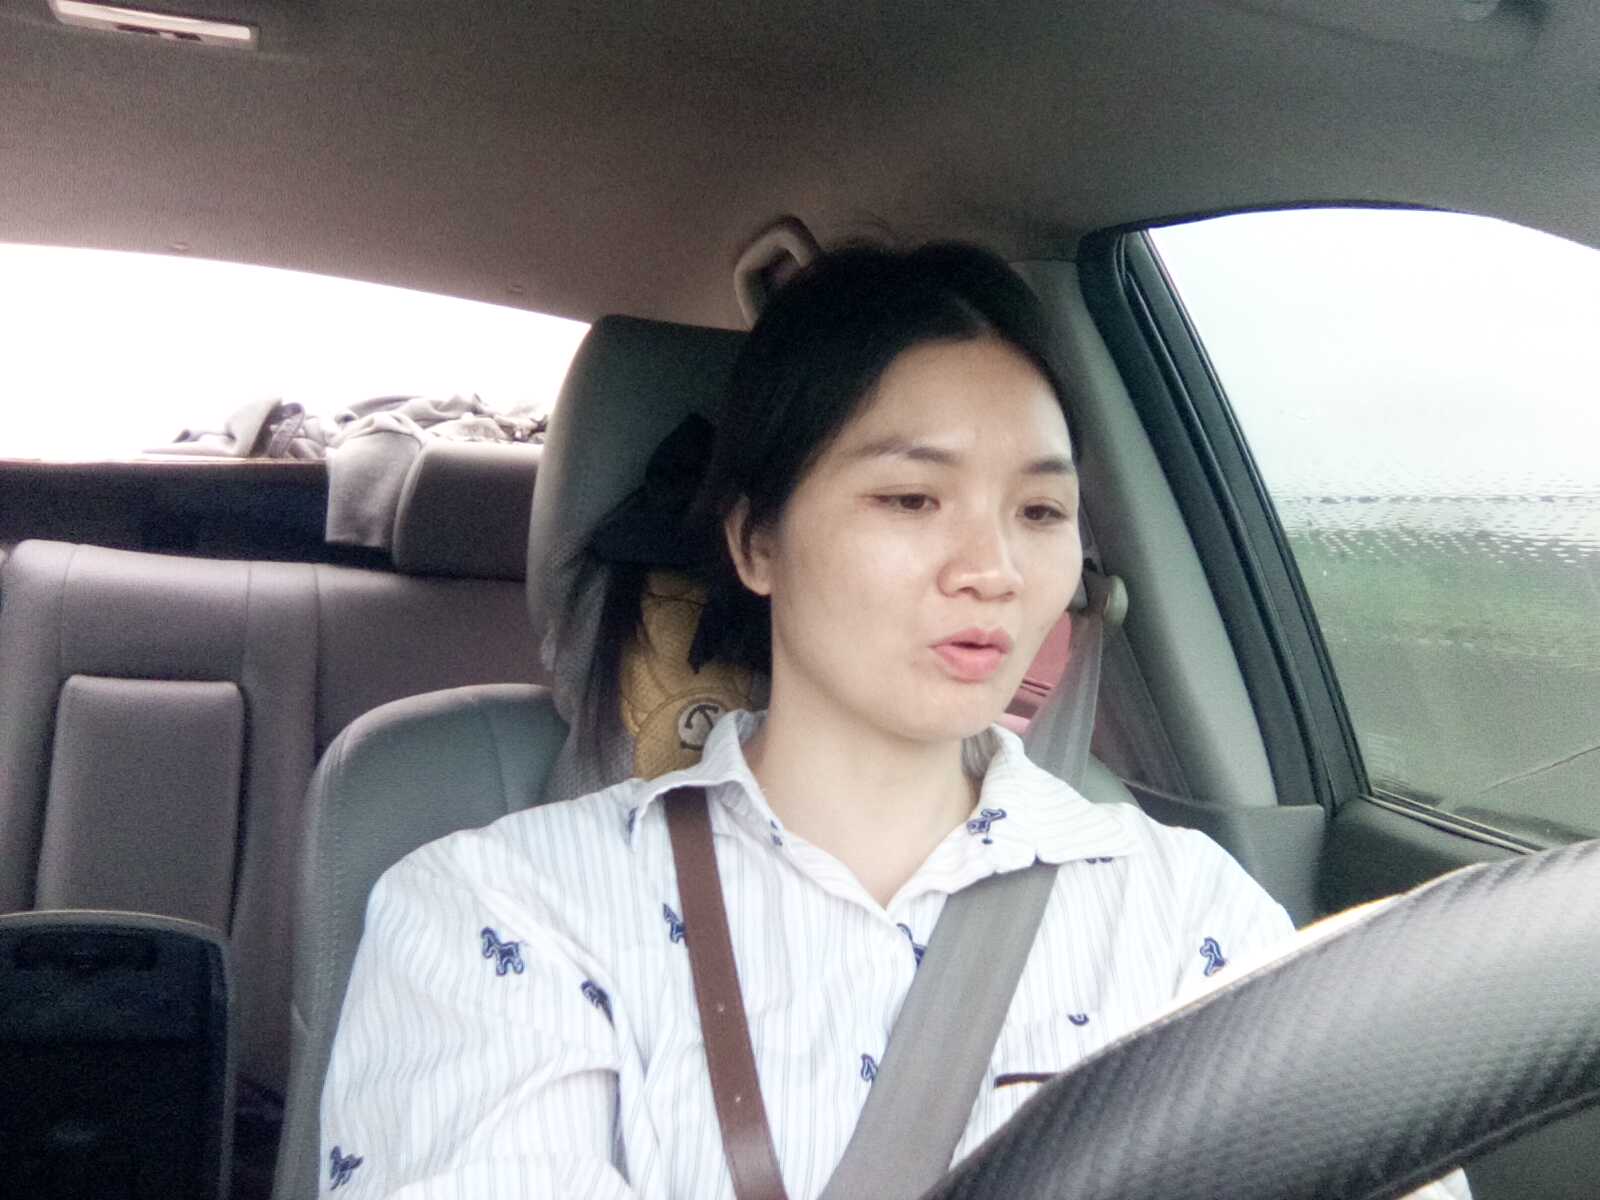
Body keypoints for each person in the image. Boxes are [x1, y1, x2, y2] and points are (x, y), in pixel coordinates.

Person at [318, 243, 1469, 1198]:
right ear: (755, 542)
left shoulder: (1186, 917)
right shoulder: (508, 913)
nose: (993, 568)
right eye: (912, 498)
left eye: (1040, 510)